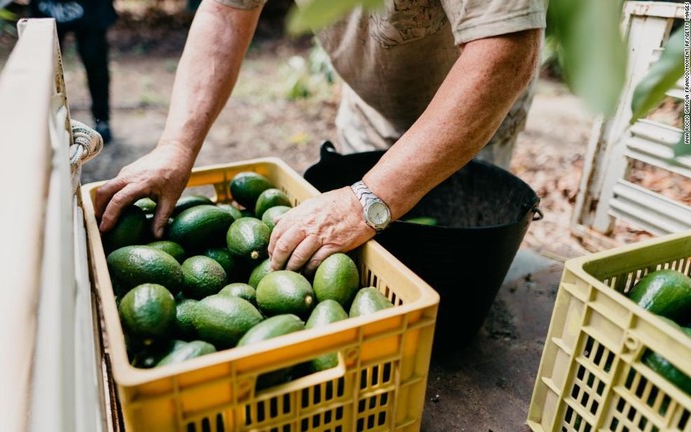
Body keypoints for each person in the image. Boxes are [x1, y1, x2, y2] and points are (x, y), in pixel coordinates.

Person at [95, 0, 545, 274]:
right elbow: (225, 12)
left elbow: (504, 53)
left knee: (447, 271)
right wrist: (175, 146)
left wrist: (364, 200)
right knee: (362, 265)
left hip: (471, 116)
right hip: (370, 107)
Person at [30, 0, 118, 143]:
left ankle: (102, 120)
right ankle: (42, 120)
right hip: (47, 7)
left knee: (95, 61)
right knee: (44, 63)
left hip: (91, 8)